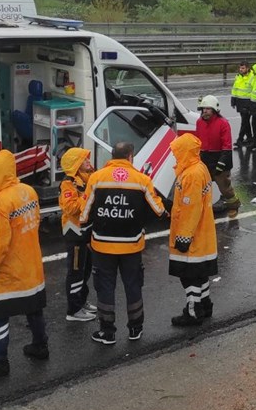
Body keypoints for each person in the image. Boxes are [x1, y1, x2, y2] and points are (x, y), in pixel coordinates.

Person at [0, 150, 49, 380]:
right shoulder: (28, 191)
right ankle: (40, 346)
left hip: (8, 273)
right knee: (34, 310)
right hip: (31, 267)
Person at [81, 141, 167, 345]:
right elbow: (159, 210)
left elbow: (84, 214)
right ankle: (135, 328)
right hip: (131, 246)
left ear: (112, 157)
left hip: (102, 246)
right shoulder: (142, 180)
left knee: (105, 287)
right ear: (130, 156)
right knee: (133, 285)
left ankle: (107, 332)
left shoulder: (96, 177)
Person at [167, 133, 219, 329]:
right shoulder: (199, 167)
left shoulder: (191, 174)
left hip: (193, 236)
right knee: (199, 274)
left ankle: (193, 311)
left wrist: (183, 237)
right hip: (203, 233)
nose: (175, 156)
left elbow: (191, 208)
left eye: (177, 152)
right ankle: (205, 304)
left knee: (188, 275)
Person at [59, 147, 97, 322]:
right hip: (75, 235)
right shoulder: (68, 184)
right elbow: (71, 208)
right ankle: (73, 310)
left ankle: (81, 301)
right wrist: (88, 195)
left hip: (87, 232)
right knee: (75, 272)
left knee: (85, 270)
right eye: (84, 159)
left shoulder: (89, 177)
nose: (88, 161)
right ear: (76, 164)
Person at [195, 95, 240, 218]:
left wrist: (221, 164)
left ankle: (233, 206)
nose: (205, 111)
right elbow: (198, 141)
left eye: (208, 109)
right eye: (203, 109)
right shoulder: (199, 122)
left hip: (220, 157)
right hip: (205, 157)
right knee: (201, 186)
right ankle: (202, 208)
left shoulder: (223, 123)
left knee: (225, 187)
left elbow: (227, 146)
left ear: (214, 110)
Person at [231, 61, 254, 147]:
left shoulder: (252, 77)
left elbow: (254, 90)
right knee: (246, 121)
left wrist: (252, 103)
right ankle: (250, 138)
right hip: (239, 102)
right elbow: (235, 88)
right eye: (240, 68)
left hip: (248, 102)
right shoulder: (238, 76)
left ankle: (240, 139)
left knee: (244, 122)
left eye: (243, 68)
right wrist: (233, 99)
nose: (241, 69)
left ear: (247, 68)